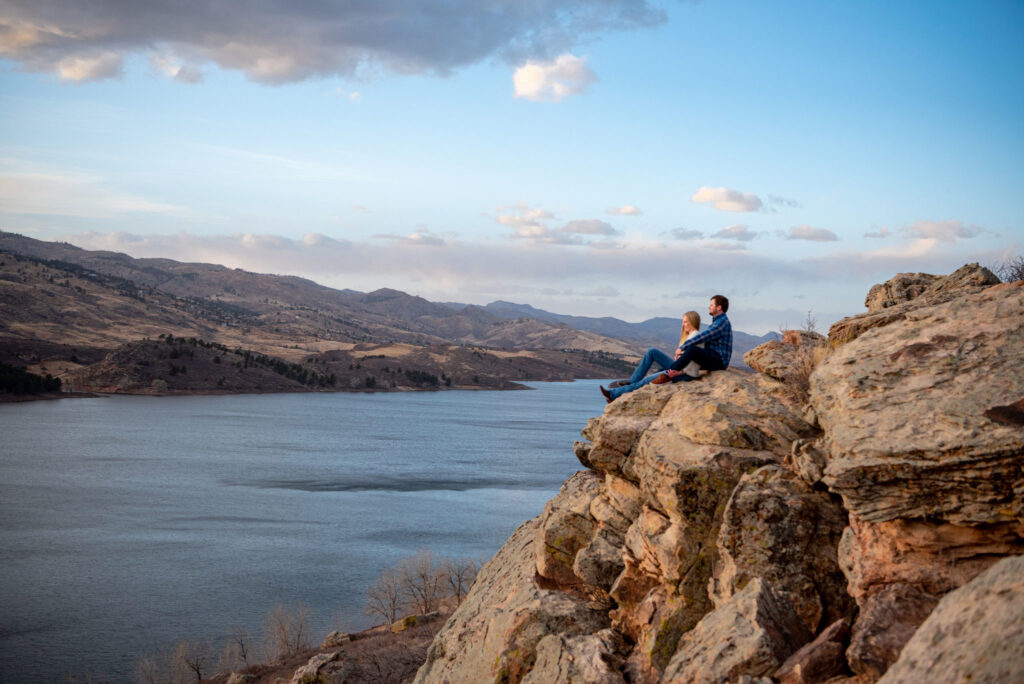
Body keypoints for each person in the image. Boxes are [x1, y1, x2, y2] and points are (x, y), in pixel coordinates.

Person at [600, 310, 703, 402]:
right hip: (678, 366)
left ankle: (613, 394)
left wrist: (679, 370)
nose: (683, 325)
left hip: (682, 372)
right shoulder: (690, 335)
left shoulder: (695, 336)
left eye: (685, 322)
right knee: (651, 351)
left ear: (692, 322)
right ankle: (632, 382)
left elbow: (692, 361)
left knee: (646, 380)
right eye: (683, 322)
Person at [652, 294, 732, 384]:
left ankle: (668, 375)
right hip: (713, 357)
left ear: (719, 308)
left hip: (719, 361)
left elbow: (704, 336)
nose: (709, 307)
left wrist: (682, 347)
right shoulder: (717, 322)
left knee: (692, 350)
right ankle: (666, 375)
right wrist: (683, 354)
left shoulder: (722, 322)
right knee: (685, 358)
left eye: (711, 305)